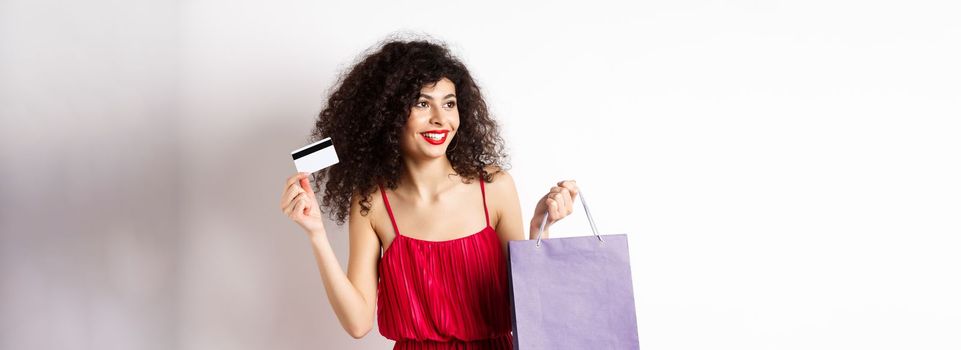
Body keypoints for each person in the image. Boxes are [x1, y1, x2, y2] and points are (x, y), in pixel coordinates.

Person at [279, 37, 579, 350]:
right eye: (422, 103)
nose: (440, 118)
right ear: (388, 114)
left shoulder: (494, 187)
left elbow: (529, 310)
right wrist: (316, 234)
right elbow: (357, 323)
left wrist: (539, 231)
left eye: (449, 103)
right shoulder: (373, 202)